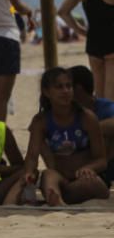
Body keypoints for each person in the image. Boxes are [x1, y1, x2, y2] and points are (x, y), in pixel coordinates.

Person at [8, 67, 109, 206]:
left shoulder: (87, 117)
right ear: (46, 92)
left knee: (92, 182)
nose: (66, 91)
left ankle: (57, 199)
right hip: (60, 178)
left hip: (84, 179)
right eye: (59, 87)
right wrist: (29, 172)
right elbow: (32, 156)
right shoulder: (40, 121)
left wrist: (89, 168)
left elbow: (101, 160)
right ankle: (58, 202)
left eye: (68, 86)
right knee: (48, 175)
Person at [58, 0, 114, 98]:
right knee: (111, 101)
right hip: (111, 43)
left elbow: (63, 11)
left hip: (94, 44)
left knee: (100, 98)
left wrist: (81, 31)